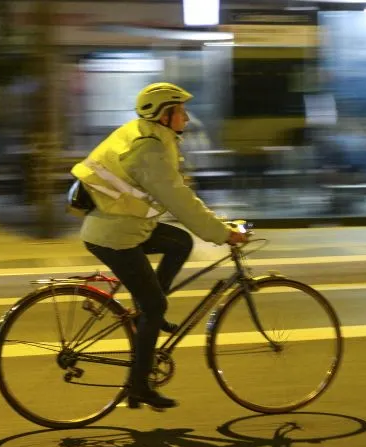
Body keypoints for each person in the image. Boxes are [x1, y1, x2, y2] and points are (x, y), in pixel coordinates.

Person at [71, 82, 247, 410]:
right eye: (180, 111)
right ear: (164, 115)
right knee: (155, 307)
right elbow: (179, 199)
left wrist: (214, 226)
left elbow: (175, 193)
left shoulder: (150, 135)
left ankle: (148, 310)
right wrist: (223, 233)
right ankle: (138, 387)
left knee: (179, 241)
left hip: (124, 226)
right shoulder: (147, 149)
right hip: (115, 237)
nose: (187, 118)